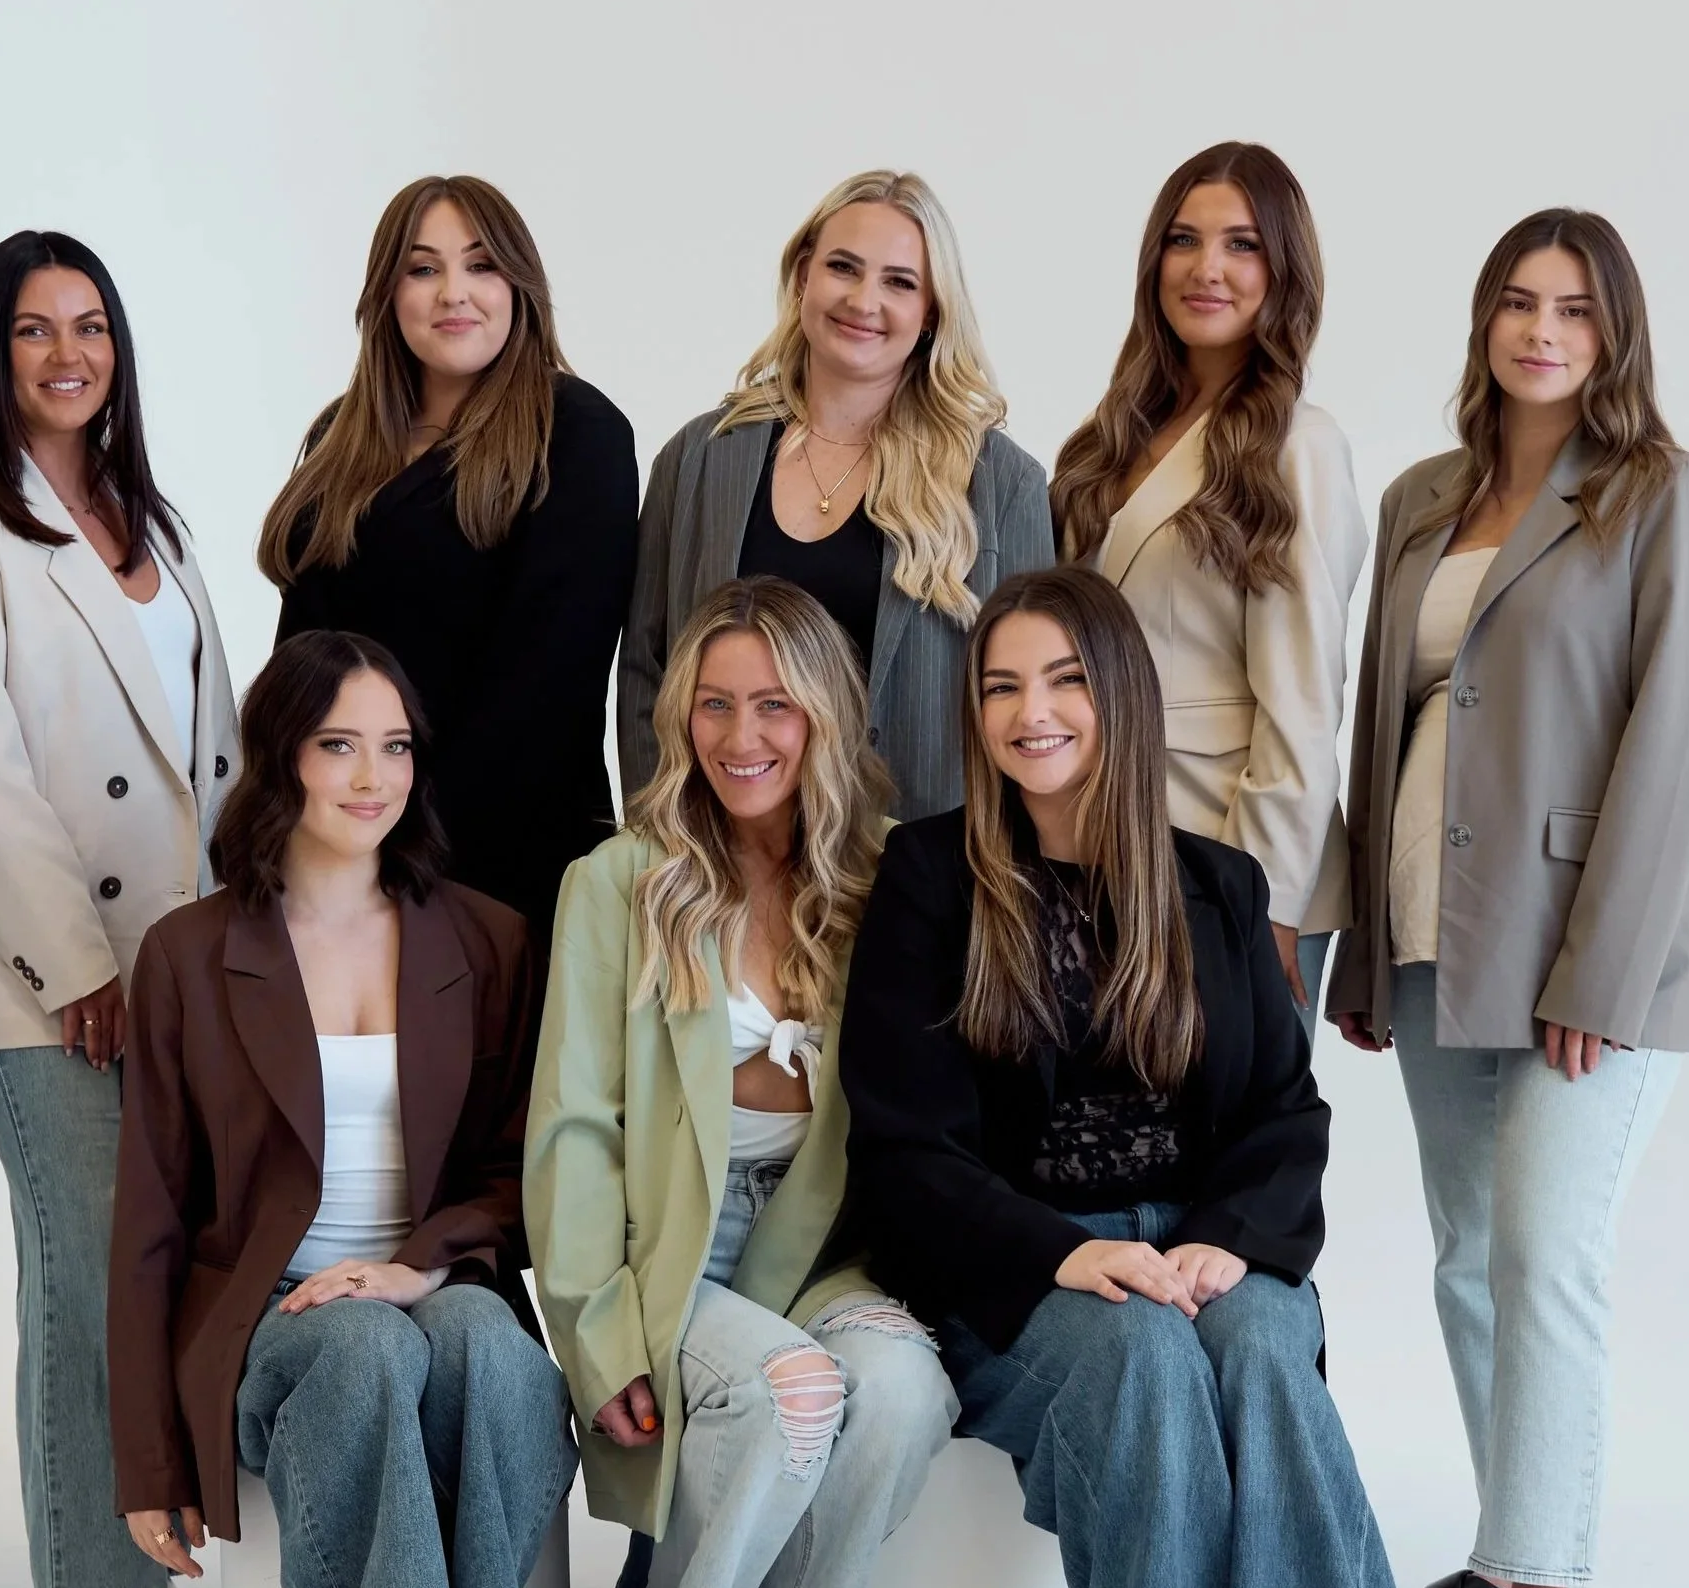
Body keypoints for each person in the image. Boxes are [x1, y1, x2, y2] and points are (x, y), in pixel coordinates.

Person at [841, 567, 1417, 1588]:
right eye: (998, 686)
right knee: (1150, 1373)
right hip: (1027, 1273)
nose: (1028, 712)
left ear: (1119, 695)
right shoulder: (927, 878)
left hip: (1211, 1255)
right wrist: (1062, 1255)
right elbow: (902, 1144)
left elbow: (1283, 1111)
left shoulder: (1214, 886)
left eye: (1062, 680)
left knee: (1271, 1369)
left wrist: (1224, 1246)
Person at [1329, 209, 1689, 1588]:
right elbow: (1382, 729)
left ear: (1611, 333)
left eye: (1572, 306)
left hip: (1580, 942)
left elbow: (1667, 741)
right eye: (1515, 299)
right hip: (1436, 930)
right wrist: (1365, 939)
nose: (1539, 327)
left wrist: (1602, 966)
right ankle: (1505, 1546)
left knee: (1547, 1252)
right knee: (1466, 1260)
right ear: (1482, 320)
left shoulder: (1655, 498)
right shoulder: (1422, 496)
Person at [108, 632, 574, 1588]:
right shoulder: (190, 954)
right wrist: (148, 1464)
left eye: (396, 746)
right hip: (270, 1318)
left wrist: (421, 1265)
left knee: (497, 1354)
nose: (373, 777)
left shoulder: (486, 939)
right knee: (362, 1346)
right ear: (282, 761)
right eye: (337, 746)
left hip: (433, 1284)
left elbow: (522, 1171)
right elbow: (149, 1216)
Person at [528, 579, 953, 1588]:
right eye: (712, 705)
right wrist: (594, 1329)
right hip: (668, 1252)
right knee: (792, 1391)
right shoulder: (621, 881)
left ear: (826, 716)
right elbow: (573, 1128)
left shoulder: (885, 886)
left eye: (774, 704)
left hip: (816, 1248)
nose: (741, 735)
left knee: (904, 1393)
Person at [0, 231, 240, 1588]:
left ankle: (154, 1539)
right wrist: (76, 963)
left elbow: (207, 751)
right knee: (90, 1260)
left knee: (163, 1259)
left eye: (89, 325)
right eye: (33, 329)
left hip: (170, 958)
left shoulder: (148, 517)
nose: (65, 353)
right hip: (36, 973)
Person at [260, 175, 638, 943]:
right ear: (387, 293)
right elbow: (299, 666)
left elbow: (548, 691)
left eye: (480, 265)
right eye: (423, 268)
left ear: (518, 285)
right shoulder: (343, 435)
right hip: (339, 858)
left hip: (499, 869)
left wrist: (402, 844)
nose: (452, 294)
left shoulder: (577, 434)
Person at [1048, 141, 1368, 1029]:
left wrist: (1262, 898)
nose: (1206, 268)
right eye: (1183, 241)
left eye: (1241, 245)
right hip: (1102, 846)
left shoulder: (1297, 443)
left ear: (1283, 269)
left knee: (1233, 1154)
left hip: (1229, 857)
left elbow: (1304, 701)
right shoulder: (1111, 436)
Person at [619, 169, 1051, 820]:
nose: (863, 299)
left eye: (898, 282)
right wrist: (665, 835)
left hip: (916, 869)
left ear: (931, 309)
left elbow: (1033, 701)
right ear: (802, 277)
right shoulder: (698, 460)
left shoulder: (1000, 482)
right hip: (724, 867)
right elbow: (646, 672)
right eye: (842, 267)